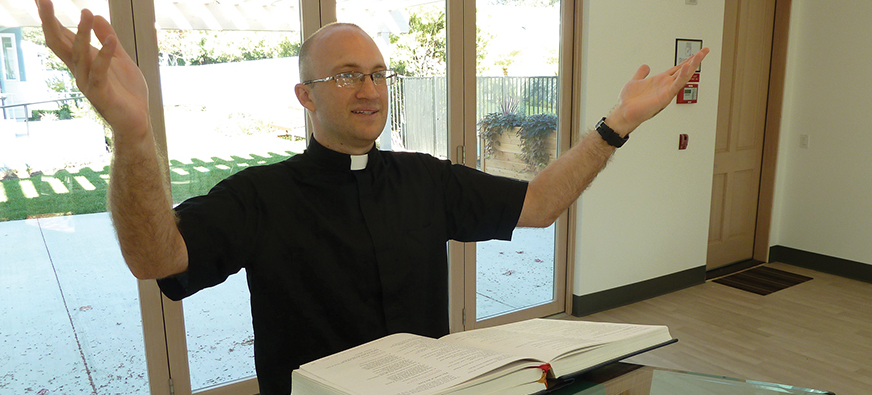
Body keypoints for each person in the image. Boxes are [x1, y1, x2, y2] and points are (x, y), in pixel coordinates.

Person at [35, 0, 709, 393]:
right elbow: (157, 257)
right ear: (305, 95)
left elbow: (537, 203)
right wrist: (133, 133)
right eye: (347, 75)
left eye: (379, 74)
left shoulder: (425, 180)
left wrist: (615, 125)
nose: (370, 88)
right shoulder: (258, 197)